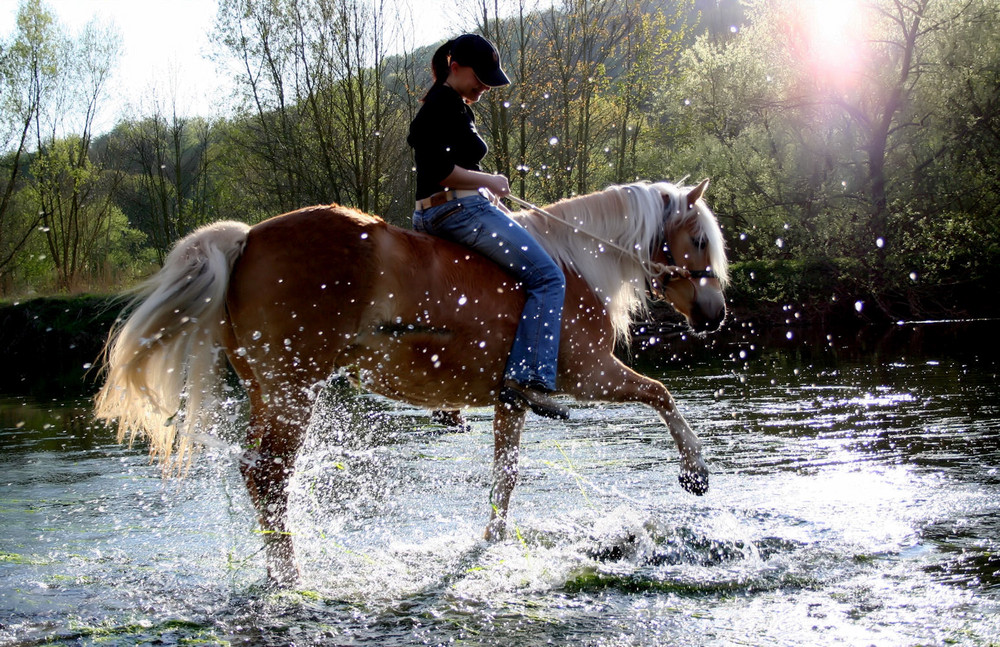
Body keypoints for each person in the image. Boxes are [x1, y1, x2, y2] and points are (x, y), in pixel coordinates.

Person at [408, 33, 568, 420]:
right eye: (478, 77)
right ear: (455, 66)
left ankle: (451, 396)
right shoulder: (443, 105)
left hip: (444, 210)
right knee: (548, 279)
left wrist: (484, 188)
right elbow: (440, 172)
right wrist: (489, 182)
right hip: (453, 212)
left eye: (488, 79)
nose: (483, 85)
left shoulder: (453, 105)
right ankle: (526, 380)